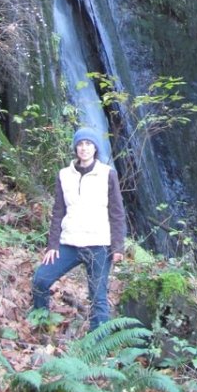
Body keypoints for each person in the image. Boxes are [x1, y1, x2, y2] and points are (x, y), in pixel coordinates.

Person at [32, 126, 126, 330]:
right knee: (41, 280)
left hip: (99, 245)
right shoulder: (64, 175)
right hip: (69, 243)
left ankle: (98, 346)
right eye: (80, 144)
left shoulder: (108, 174)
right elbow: (58, 211)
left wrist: (118, 247)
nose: (84, 148)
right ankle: (41, 325)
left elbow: (117, 212)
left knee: (98, 297)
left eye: (88, 144)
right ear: (75, 148)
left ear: (95, 148)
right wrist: (53, 245)